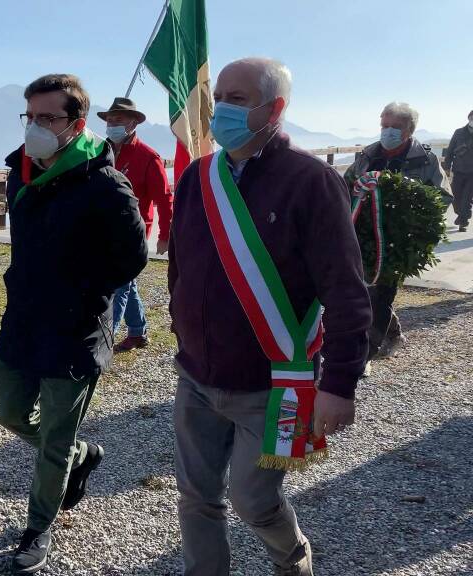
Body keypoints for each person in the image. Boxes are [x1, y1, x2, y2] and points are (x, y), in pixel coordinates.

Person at [168, 58, 371, 576]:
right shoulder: (199, 175)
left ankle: (292, 555)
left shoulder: (311, 180)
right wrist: (180, 323)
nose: (221, 109)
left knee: (252, 500)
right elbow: (180, 262)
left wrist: (340, 383)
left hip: (273, 384)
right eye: (219, 98)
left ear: (273, 109)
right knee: (195, 498)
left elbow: (346, 292)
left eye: (237, 99)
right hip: (195, 375)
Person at [0, 74, 147, 574]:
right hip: (21, 320)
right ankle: (81, 454)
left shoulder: (104, 182)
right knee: (10, 414)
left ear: (75, 124)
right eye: (30, 116)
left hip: (75, 329)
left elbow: (132, 257)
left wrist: (80, 289)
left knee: (53, 439)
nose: (35, 126)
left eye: (47, 118)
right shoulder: (20, 170)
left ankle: (38, 530)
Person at [344, 102, 451, 364]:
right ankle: (393, 334)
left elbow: (442, 197)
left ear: (409, 130)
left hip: (398, 244)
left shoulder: (425, 160)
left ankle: (365, 354)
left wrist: (409, 208)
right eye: (385, 126)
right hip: (364, 236)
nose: (388, 131)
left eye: (395, 127)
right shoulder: (367, 155)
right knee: (364, 290)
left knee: (381, 294)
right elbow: (344, 186)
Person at [99, 97, 172, 350]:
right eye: (109, 119)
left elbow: (164, 198)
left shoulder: (148, 157)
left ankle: (103, 343)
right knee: (126, 282)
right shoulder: (100, 151)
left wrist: (166, 234)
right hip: (101, 232)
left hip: (132, 234)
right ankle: (138, 331)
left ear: (133, 123)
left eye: (118, 119)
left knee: (118, 287)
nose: (111, 124)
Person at [444, 109, 473, 232]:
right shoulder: (459, 132)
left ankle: (463, 221)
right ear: (469, 118)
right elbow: (450, 150)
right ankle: (461, 215)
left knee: (466, 198)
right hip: (459, 170)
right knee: (455, 197)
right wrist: (446, 168)